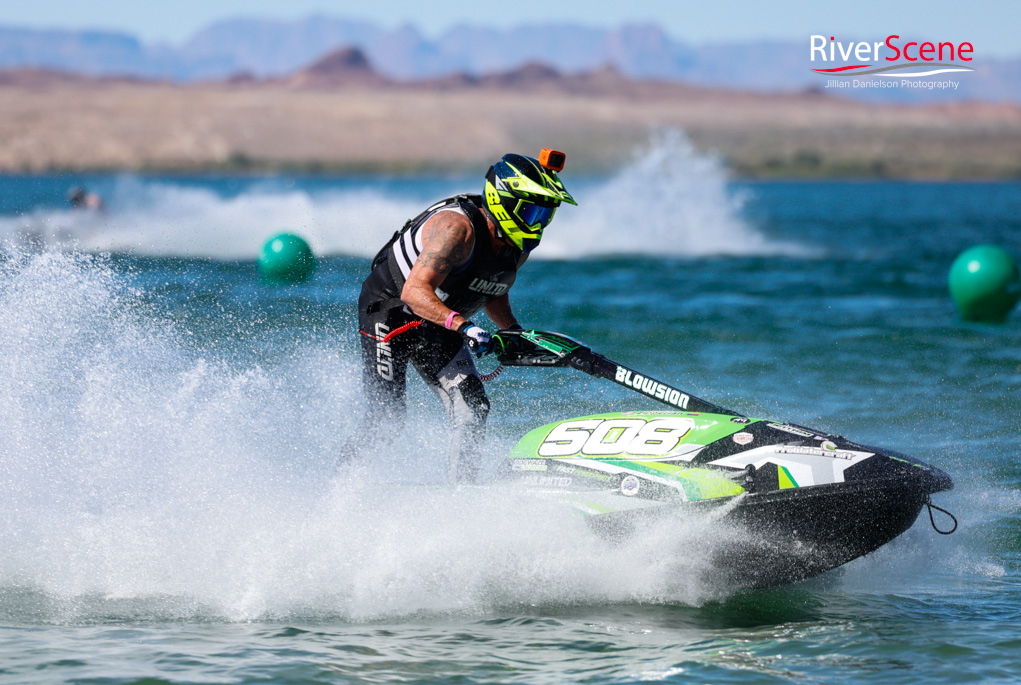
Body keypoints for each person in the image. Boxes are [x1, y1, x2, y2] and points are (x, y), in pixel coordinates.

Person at [341, 149, 577, 482]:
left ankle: (461, 494)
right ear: (504, 201)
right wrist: (464, 326)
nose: (538, 223)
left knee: (473, 407)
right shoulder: (456, 230)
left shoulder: (515, 245)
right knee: (387, 420)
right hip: (389, 314)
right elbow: (414, 291)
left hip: (439, 319)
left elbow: (491, 286)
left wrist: (512, 330)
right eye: (532, 211)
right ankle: (338, 489)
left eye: (545, 215)